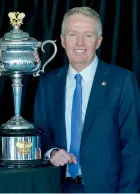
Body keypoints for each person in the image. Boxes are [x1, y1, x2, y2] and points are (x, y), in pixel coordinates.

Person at [33, 6, 140, 193]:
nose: (80, 43)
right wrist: (52, 152)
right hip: (56, 187)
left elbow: (133, 146)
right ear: (63, 40)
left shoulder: (122, 81)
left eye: (88, 35)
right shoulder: (48, 83)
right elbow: (41, 134)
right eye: (73, 34)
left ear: (98, 42)